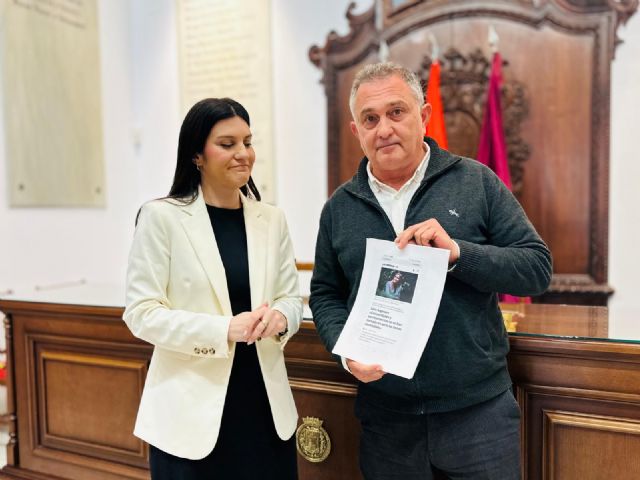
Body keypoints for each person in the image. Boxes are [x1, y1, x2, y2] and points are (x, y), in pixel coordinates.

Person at [310, 62, 552, 479]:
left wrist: (458, 254)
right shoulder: (339, 208)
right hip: (387, 423)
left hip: (477, 417)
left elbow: (536, 267)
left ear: (423, 115)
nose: (384, 129)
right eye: (370, 119)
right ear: (356, 131)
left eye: (396, 112)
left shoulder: (476, 182)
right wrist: (345, 352)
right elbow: (326, 294)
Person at [123, 98, 301, 480]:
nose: (243, 153)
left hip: (266, 409)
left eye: (247, 142)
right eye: (227, 144)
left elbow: (290, 297)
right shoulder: (162, 217)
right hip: (190, 416)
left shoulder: (272, 219)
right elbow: (141, 313)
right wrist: (224, 330)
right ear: (197, 155)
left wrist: (281, 317)